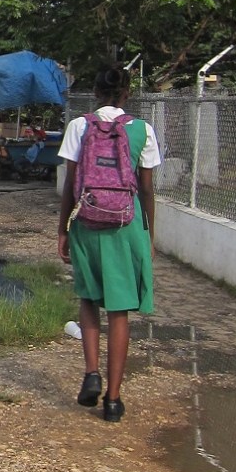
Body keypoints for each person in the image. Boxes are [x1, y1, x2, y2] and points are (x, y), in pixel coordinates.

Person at [57, 65, 162, 422]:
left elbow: (71, 185)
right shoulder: (142, 130)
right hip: (126, 224)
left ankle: (91, 374)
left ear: (95, 92)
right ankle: (113, 402)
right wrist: (148, 234)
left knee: (88, 299)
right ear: (126, 93)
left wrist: (62, 230)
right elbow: (146, 189)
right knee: (119, 311)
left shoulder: (79, 126)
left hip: (87, 220)